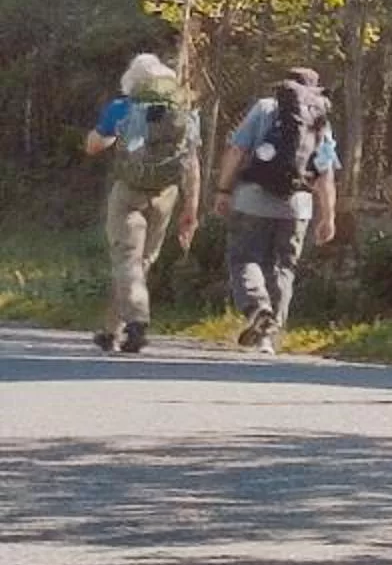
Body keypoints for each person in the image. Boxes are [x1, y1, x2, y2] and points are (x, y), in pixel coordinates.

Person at [81, 51, 202, 354]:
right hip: (166, 193)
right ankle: (111, 330)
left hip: (129, 192)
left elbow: (93, 146)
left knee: (126, 259)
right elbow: (191, 164)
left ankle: (136, 322)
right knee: (139, 262)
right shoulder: (185, 113)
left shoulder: (122, 108)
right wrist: (191, 209)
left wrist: (113, 137)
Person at [216, 65, 340, 354]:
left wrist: (223, 189)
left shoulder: (264, 108)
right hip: (297, 206)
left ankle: (258, 308)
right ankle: (267, 339)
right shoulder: (320, 118)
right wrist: (328, 215)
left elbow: (237, 151)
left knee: (244, 258)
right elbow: (325, 173)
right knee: (283, 268)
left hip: (252, 199)